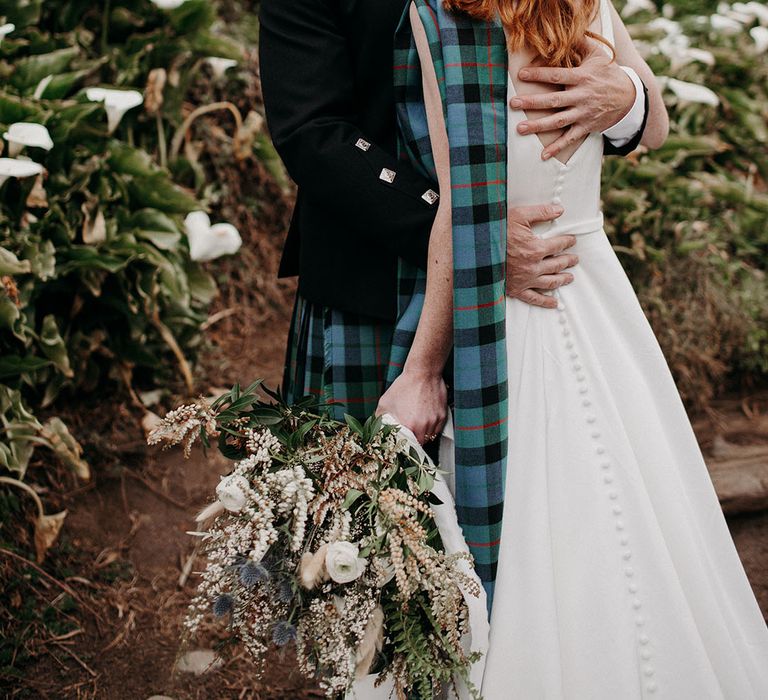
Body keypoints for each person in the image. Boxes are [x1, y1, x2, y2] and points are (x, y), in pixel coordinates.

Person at [373, 0, 768, 697]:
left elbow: (459, 209)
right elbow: (660, 129)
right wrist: (629, 93)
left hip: (510, 309)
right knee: (634, 488)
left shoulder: (438, 19)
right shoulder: (588, 8)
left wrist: (421, 369)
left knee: (522, 504)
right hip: (592, 287)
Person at [257, 0, 648, 430]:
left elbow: (551, 85)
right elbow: (313, 135)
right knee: (357, 488)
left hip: (542, 276)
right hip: (372, 281)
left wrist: (626, 96)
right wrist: (479, 241)